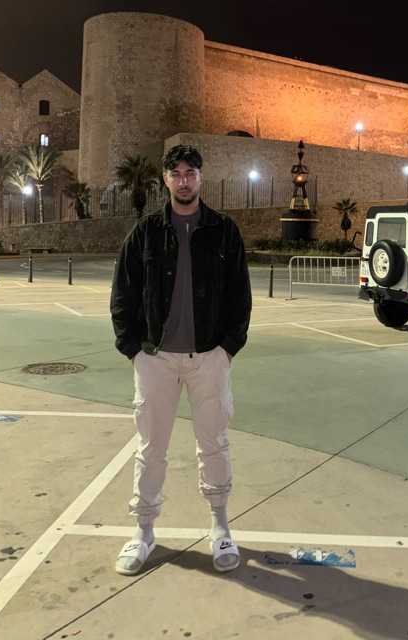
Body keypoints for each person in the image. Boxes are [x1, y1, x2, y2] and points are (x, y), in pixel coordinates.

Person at [110, 144, 252, 575]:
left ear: (201, 178)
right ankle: (143, 531)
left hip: (209, 357)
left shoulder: (224, 231)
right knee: (151, 448)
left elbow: (240, 295)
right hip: (155, 359)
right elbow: (123, 292)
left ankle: (220, 527)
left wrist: (227, 349)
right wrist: (133, 350)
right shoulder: (146, 232)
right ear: (166, 179)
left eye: (191, 173)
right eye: (177, 174)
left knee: (214, 444)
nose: (184, 181)